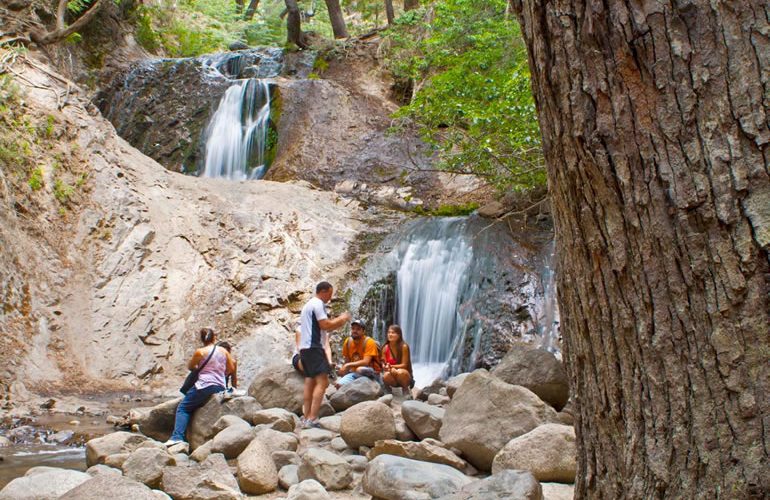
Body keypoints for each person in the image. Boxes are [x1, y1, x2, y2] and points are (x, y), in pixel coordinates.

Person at [165, 328, 237, 446]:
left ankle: (177, 437)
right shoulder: (224, 352)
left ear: (202, 339)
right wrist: (220, 373)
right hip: (219, 385)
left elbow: (191, 367)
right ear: (214, 337)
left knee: (183, 408)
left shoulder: (200, 352)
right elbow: (231, 369)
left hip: (204, 385)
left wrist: (202, 369)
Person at [298, 281, 351, 428]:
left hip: (305, 348)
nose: (330, 298)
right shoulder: (318, 304)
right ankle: (313, 418)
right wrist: (342, 319)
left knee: (310, 381)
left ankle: (306, 416)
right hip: (315, 347)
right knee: (322, 382)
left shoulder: (307, 305)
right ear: (324, 291)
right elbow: (325, 325)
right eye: (330, 294)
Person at [336, 319, 381, 386]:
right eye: (353, 329)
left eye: (358, 329)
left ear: (363, 331)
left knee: (360, 369)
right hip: (354, 373)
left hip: (372, 372)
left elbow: (366, 362)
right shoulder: (348, 342)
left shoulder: (369, 342)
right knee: (339, 385)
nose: (355, 331)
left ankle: (376, 385)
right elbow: (347, 361)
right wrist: (342, 370)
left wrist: (347, 365)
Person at [381, 324, 413, 396]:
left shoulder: (404, 347)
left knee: (400, 372)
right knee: (385, 376)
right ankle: (388, 389)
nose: (390, 334)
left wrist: (391, 366)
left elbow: (404, 365)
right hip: (391, 376)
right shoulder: (385, 348)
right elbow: (383, 362)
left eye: (393, 333)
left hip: (404, 375)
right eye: (389, 332)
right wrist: (384, 366)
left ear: (399, 335)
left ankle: (405, 389)